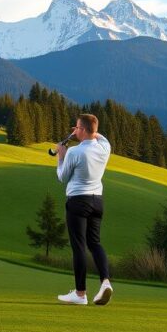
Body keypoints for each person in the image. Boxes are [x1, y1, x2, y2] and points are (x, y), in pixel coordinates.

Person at [55, 113, 113, 306]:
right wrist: (83, 132)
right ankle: (105, 282)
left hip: (78, 201)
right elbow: (100, 136)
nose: (75, 129)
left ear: (84, 130)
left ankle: (80, 294)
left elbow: (62, 177)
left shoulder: (74, 152)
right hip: (97, 202)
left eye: (77, 127)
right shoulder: (104, 148)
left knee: (79, 246)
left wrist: (61, 157)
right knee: (94, 243)